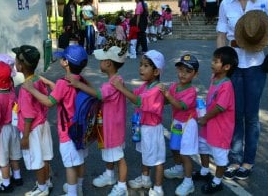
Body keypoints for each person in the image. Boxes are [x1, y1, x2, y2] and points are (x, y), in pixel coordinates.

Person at [216, 0, 268, 181]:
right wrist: (220, 65)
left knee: (251, 116)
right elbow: (221, 35)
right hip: (234, 65)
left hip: (255, 67)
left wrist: (259, 32)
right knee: (234, 114)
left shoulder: (264, 2)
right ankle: (234, 159)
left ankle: (248, 161)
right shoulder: (226, 4)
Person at [23, 45, 89, 196]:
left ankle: (72, 193)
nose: (60, 59)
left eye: (62, 57)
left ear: (66, 62)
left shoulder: (63, 83)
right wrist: (49, 83)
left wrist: (31, 89)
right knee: (80, 159)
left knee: (70, 165)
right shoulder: (79, 79)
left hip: (68, 131)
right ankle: (78, 186)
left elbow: (49, 102)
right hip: (81, 128)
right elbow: (63, 95)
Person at [67, 42, 129, 196]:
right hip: (109, 126)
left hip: (113, 127)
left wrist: (78, 84)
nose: (99, 62)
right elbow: (99, 91)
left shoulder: (114, 83)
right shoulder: (114, 80)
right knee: (109, 152)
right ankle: (109, 175)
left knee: (119, 157)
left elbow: (99, 94)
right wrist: (84, 82)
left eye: (102, 60)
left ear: (108, 63)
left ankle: (122, 186)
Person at [112, 50, 166, 196]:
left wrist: (121, 88)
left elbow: (138, 100)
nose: (141, 68)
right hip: (144, 127)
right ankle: (145, 178)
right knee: (145, 154)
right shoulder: (147, 85)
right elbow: (135, 94)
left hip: (153, 129)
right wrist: (122, 86)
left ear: (156, 71)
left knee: (157, 160)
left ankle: (158, 188)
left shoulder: (156, 89)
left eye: (146, 66)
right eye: (141, 64)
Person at [194, 46, 238, 194]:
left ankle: (217, 182)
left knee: (220, 158)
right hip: (209, 126)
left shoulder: (226, 85)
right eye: (213, 60)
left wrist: (204, 118)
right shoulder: (214, 78)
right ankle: (205, 171)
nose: (212, 63)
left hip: (220, 129)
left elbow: (220, 107)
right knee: (203, 148)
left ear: (226, 67)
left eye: (216, 61)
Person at [12, 45, 53, 196]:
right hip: (43, 124)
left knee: (37, 160)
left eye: (16, 60)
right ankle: (47, 181)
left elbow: (28, 115)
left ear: (20, 65)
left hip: (32, 129)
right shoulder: (38, 80)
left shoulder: (25, 88)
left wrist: (26, 137)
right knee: (45, 156)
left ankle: (42, 188)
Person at [162, 54, 199, 196]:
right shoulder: (174, 87)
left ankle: (189, 182)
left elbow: (179, 105)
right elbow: (166, 101)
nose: (183, 74)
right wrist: (158, 96)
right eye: (181, 70)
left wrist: (167, 95)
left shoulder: (191, 92)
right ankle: (178, 169)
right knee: (174, 147)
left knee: (185, 153)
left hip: (188, 125)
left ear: (195, 74)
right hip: (177, 123)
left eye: (188, 71)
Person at [0, 61, 23, 193]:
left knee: (3, 160)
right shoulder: (11, 93)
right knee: (14, 155)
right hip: (13, 127)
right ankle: (18, 177)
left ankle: (6, 184)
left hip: (1, 131)